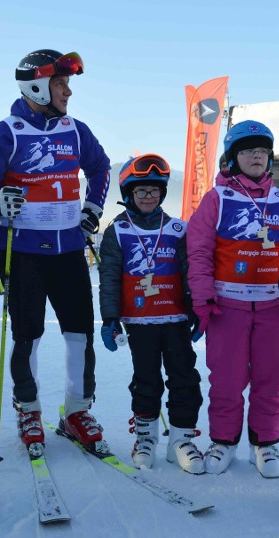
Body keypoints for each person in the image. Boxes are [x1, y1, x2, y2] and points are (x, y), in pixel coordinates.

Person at [0, 49, 111, 456]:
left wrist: (92, 209)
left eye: (68, 84)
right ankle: (28, 408)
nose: (68, 92)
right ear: (37, 86)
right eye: (61, 84)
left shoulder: (75, 130)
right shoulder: (4, 133)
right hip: (23, 250)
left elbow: (100, 169)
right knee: (27, 334)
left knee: (79, 333)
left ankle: (77, 411)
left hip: (69, 250)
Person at [187, 120, 279, 477]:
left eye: (263, 150)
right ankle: (222, 441)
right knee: (226, 379)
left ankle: (265, 443)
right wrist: (203, 299)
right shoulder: (217, 198)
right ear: (233, 157)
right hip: (228, 306)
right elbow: (199, 251)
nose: (256, 155)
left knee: (272, 378)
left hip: (274, 308)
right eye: (248, 150)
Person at [98, 154, 204, 473]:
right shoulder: (117, 231)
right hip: (139, 321)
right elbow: (110, 278)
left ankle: (181, 440)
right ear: (129, 194)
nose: (148, 197)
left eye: (154, 191)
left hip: (175, 319)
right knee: (146, 379)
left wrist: (198, 308)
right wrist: (110, 317)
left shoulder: (177, 229)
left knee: (184, 377)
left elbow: (191, 272)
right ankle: (146, 438)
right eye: (141, 191)